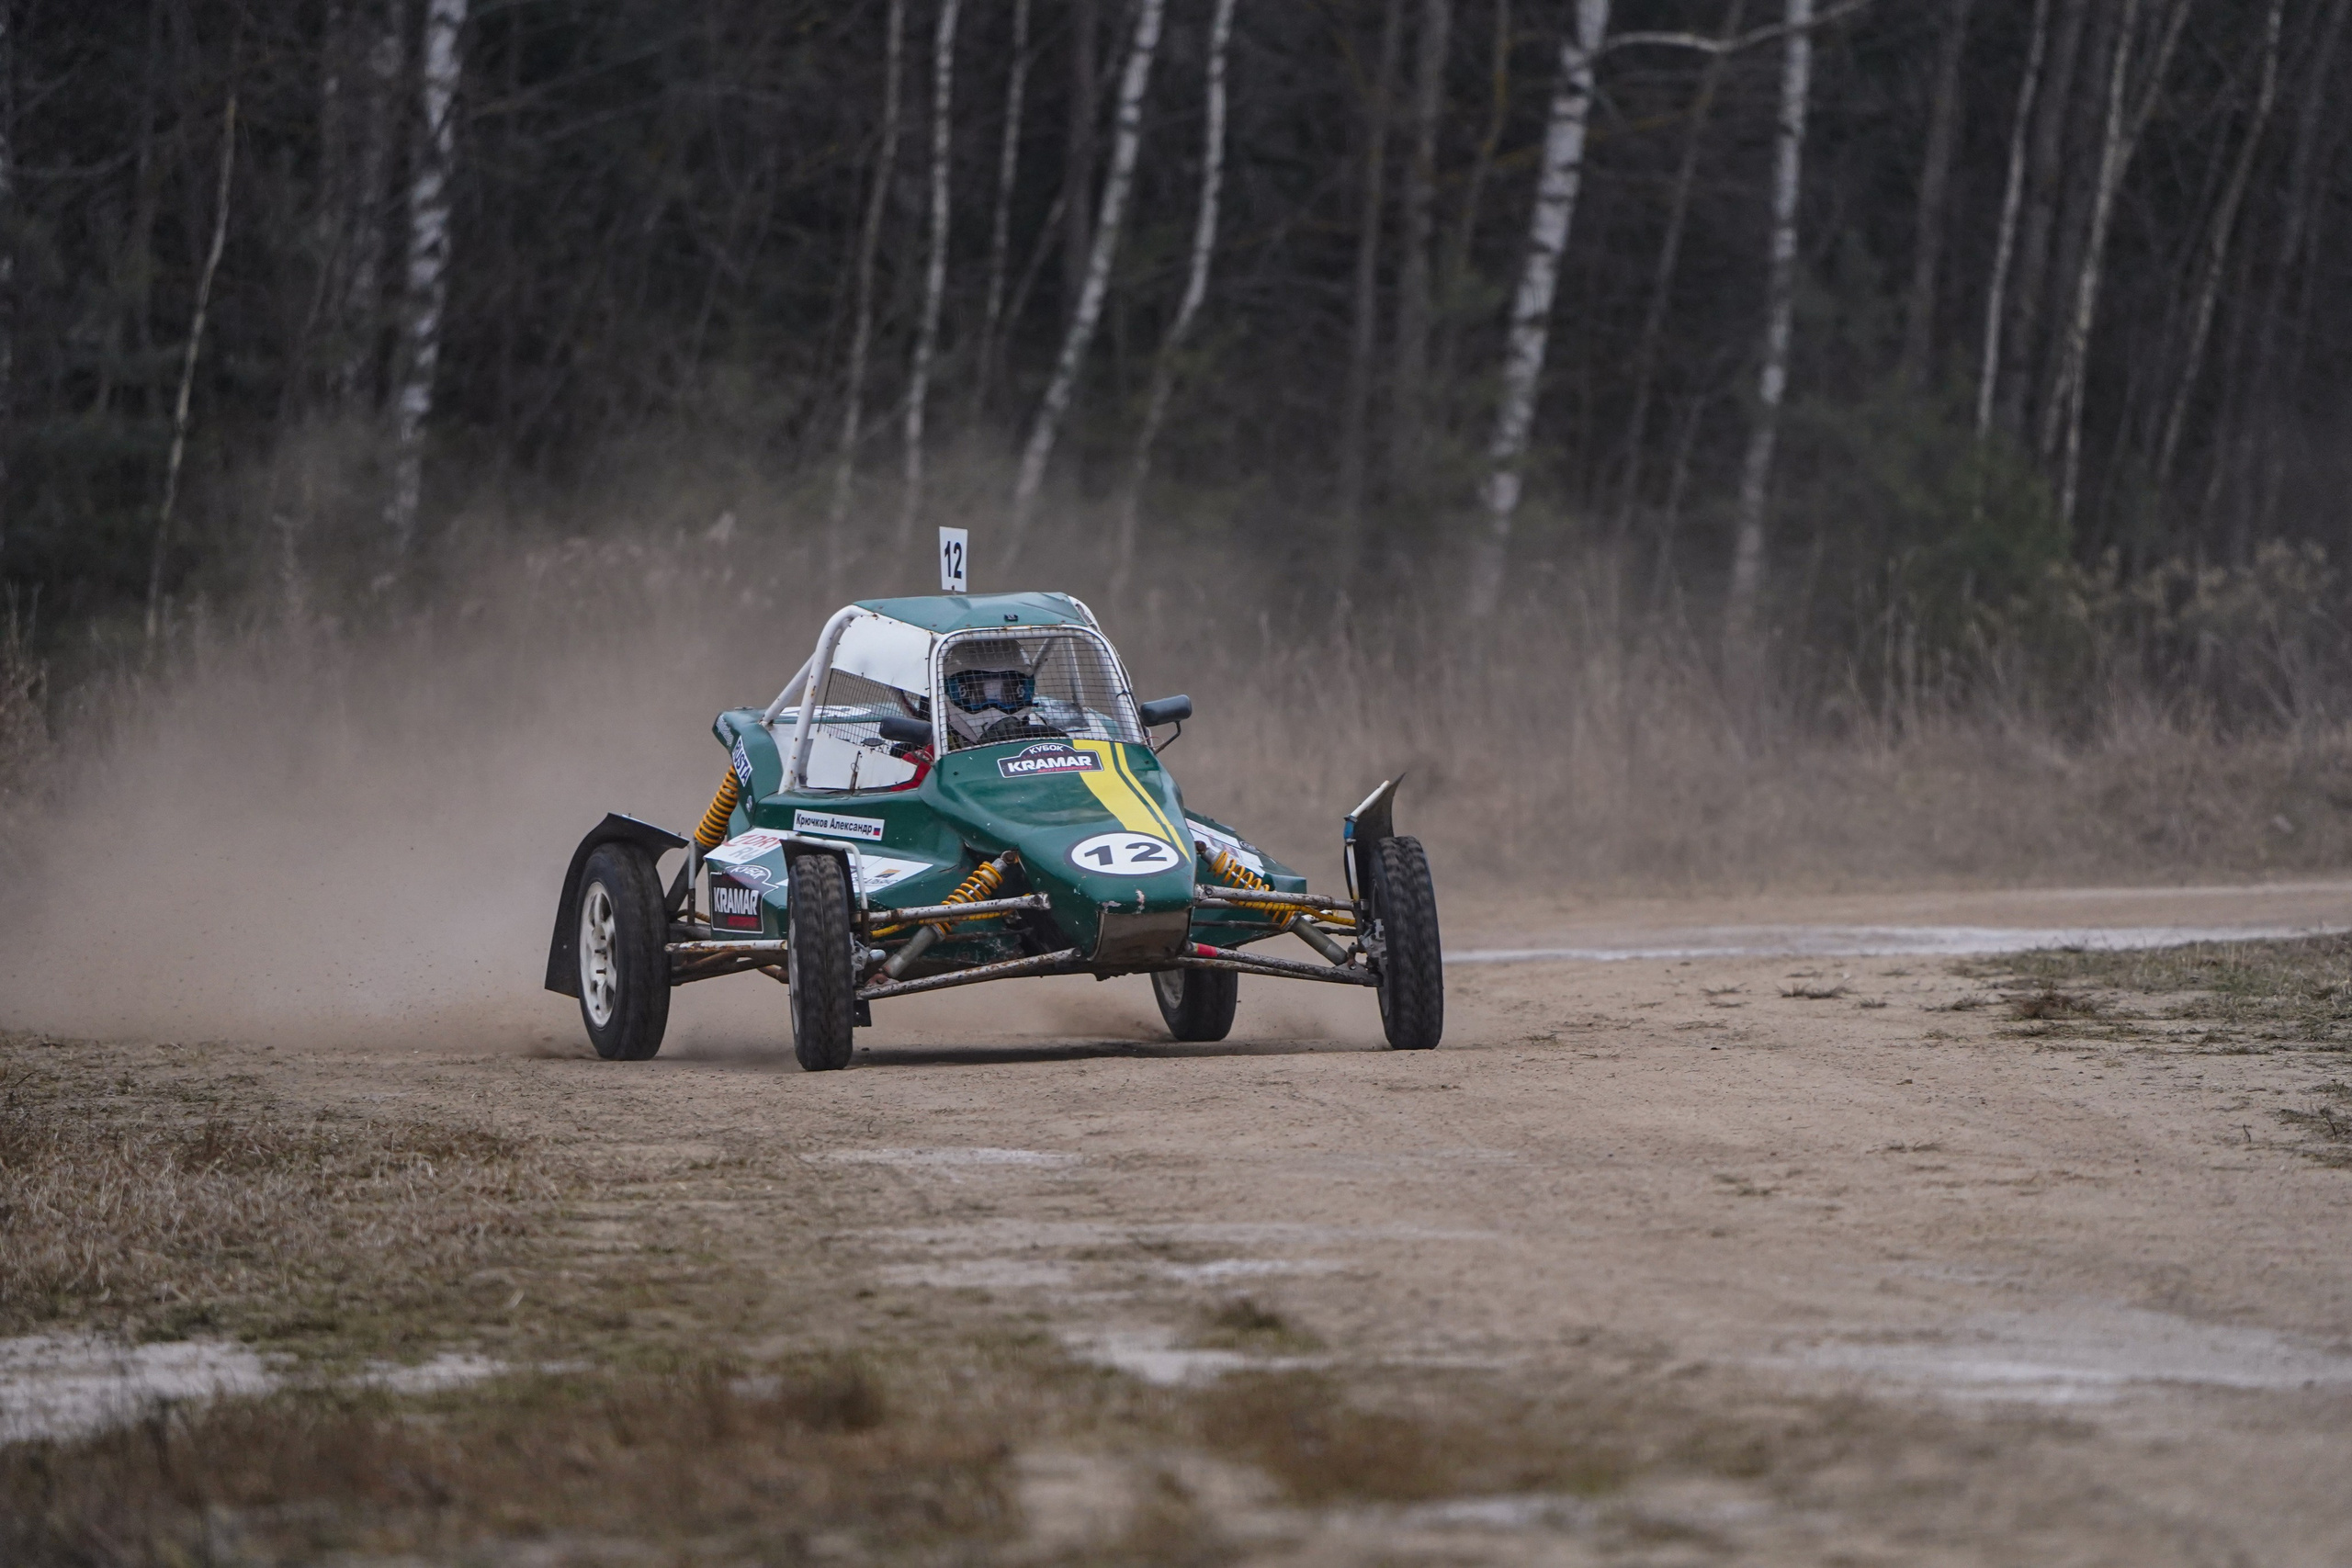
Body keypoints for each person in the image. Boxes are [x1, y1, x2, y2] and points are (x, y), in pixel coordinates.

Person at [939, 637, 1068, 748]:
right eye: (979, 696)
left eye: (1008, 695)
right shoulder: (934, 755)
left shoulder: (1044, 739)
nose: (995, 710)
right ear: (949, 693)